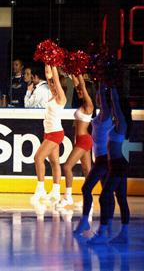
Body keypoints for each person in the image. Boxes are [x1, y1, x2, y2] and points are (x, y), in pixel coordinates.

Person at [89, 86, 132, 244]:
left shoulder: (122, 124)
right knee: (121, 198)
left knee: (104, 196)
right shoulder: (116, 124)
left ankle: (102, 231)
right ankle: (124, 234)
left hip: (117, 165)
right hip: (115, 164)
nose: (113, 109)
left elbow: (114, 102)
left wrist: (111, 84)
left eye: (116, 108)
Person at [73, 83, 112, 235]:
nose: (98, 97)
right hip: (99, 159)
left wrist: (104, 85)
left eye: (100, 95)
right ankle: (100, 225)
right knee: (103, 192)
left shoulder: (109, 114)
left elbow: (84, 86)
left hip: (106, 159)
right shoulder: (97, 113)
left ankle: (97, 225)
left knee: (92, 190)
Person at [31, 65, 66, 203]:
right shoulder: (53, 96)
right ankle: (56, 191)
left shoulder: (61, 98)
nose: (51, 85)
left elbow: (55, 79)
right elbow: (49, 76)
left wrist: (55, 65)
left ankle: (41, 189)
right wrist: (48, 62)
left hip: (55, 133)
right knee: (54, 162)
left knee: (38, 158)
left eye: (53, 84)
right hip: (49, 133)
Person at [58, 74, 94, 207]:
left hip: (84, 140)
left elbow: (82, 86)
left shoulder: (89, 105)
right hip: (81, 140)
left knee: (67, 166)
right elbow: (78, 85)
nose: (78, 91)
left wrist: (78, 72)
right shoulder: (83, 105)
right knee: (86, 171)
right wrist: (72, 73)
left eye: (81, 91)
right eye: (78, 90)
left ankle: (68, 197)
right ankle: (87, 202)